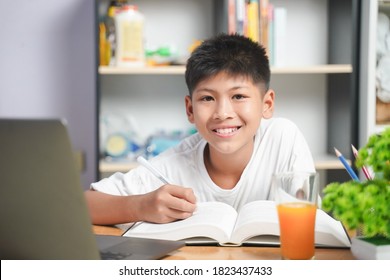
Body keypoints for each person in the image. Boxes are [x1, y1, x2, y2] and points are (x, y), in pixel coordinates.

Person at [85, 33, 315, 225]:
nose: (223, 113)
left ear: (267, 104)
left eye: (238, 96)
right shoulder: (174, 164)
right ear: (190, 109)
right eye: (207, 98)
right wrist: (141, 206)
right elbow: (85, 204)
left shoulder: (283, 138)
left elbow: (308, 219)